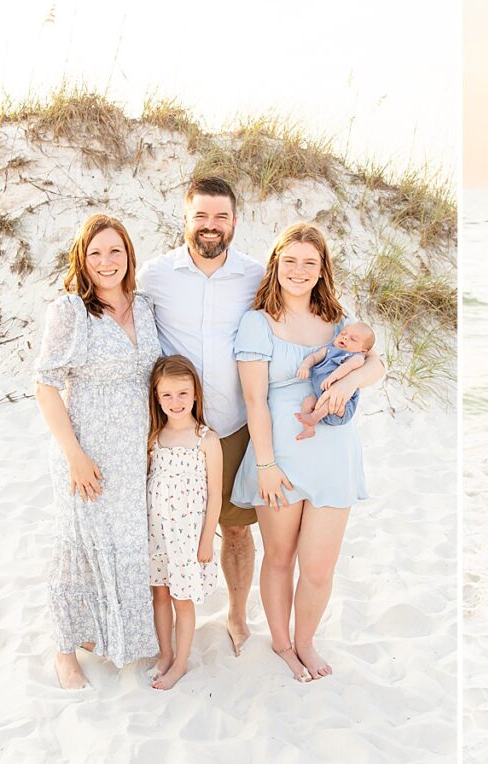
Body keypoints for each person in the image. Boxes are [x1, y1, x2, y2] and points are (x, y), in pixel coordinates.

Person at [231, 222, 383, 681]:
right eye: (290, 261)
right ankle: (281, 644)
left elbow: (376, 362)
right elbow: (255, 400)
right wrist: (265, 465)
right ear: (276, 264)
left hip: (335, 456)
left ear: (322, 271)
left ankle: (306, 642)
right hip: (280, 454)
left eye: (309, 263)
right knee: (280, 556)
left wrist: (354, 378)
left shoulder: (338, 322)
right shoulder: (257, 322)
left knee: (318, 565)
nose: (298, 271)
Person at [137, 177, 264, 656]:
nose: (211, 227)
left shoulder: (254, 275)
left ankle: (236, 614)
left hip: (231, 424)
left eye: (221, 217)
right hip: (172, 427)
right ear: (185, 219)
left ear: (234, 221)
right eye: (201, 216)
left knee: (234, 527)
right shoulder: (155, 275)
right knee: (160, 526)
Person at [34, 214, 162, 688]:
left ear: (129, 255)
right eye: (95, 254)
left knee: (124, 546)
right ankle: (64, 653)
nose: (106, 262)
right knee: (77, 548)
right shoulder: (70, 311)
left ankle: (106, 636)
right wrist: (75, 455)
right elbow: (45, 386)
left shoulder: (145, 307)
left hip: (134, 456)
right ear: (82, 262)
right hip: (85, 451)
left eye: (115, 251)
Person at [146, 355, 222, 690]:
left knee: (181, 598)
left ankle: (181, 662)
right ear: (157, 397)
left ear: (195, 394)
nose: (175, 402)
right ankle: (165, 653)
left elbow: (216, 495)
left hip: (188, 537)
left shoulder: (206, 439)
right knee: (159, 594)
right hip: (157, 534)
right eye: (167, 395)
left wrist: (207, 539)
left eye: (182, 393)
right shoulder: (155, 437)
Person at [293, 321, 376, 440]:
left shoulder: (357, 357)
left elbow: (346, 367)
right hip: (320, 400)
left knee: (331, 397)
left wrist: (333, 377)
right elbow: (313, 357)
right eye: (343, 333)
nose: (345, 337)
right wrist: (305, 366)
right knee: (308, 401)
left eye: (353, 339)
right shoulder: (328, 350)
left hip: (341, 405)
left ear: (363, 350)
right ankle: (308, 429)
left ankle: (314, 417)